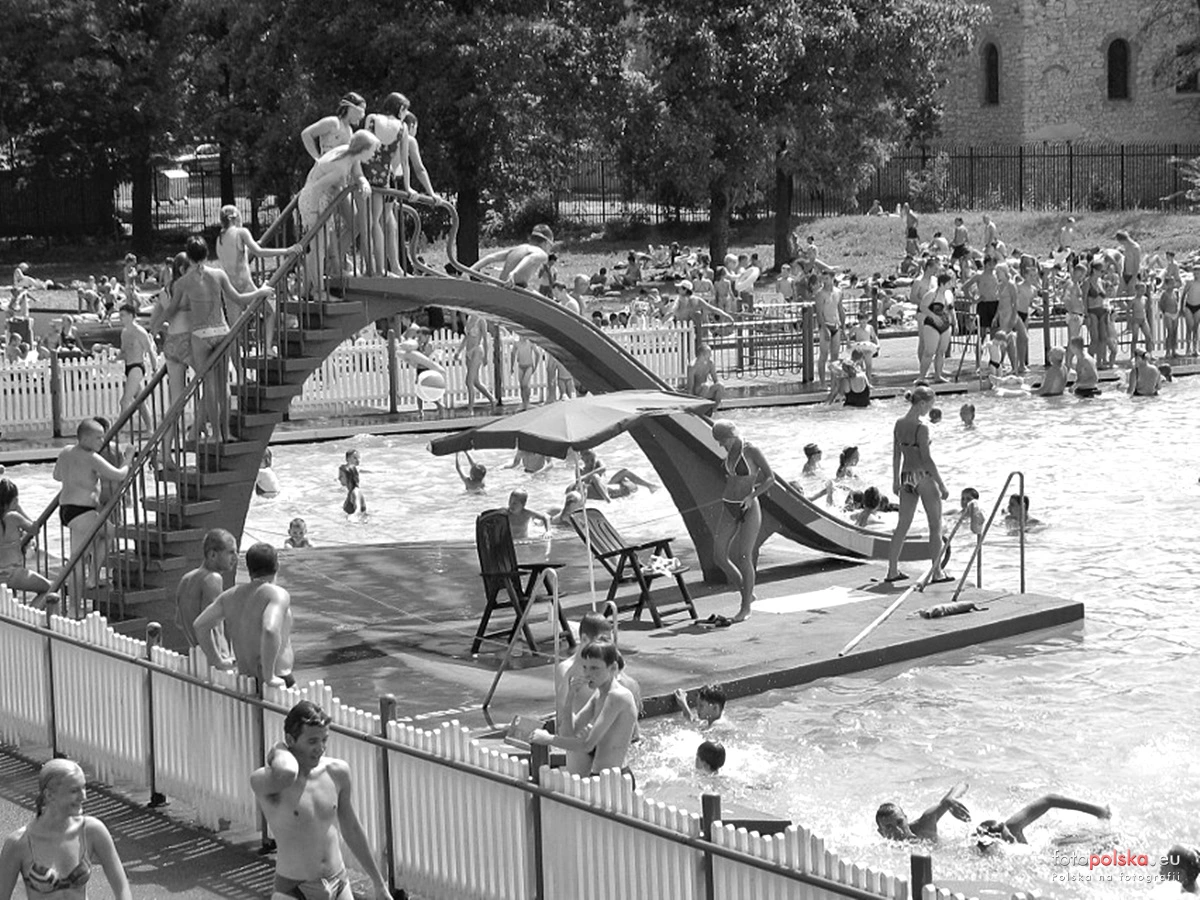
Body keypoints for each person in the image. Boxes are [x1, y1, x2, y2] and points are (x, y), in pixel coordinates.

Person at [251, 701, 393, 900]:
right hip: (294, 889)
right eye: (312, 741)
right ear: (290, 739)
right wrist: (278, 748)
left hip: (338, 881)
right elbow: (288, 772)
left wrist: (379, 883)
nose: (320, 748)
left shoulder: (337, 772)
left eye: (324, 740)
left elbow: (352, 829)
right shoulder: (267, 782)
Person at [174, 236, 275, 442]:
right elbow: (238, 298)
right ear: (206, 255)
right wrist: (261, 292)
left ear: (189, 258)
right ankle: (226, 431)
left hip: (201, 334)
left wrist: (159, 324)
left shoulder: (183, 283)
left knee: (209, 385)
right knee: (224, 384)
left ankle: (216, 434)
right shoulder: (218, 274)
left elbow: (174, 309)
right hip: (222, 331)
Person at [0, 758, 132, 900]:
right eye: (74, 791)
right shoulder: (19, 843)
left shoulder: (92, 831)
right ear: (49, 795)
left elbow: (122, 888)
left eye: (84, 788)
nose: (84, 797)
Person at [53, 419, 135, 616]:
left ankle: (91, 580)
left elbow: (57, 476)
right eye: (98, 438)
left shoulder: (65, 451)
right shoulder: (91, 457)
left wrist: (79, 477)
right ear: (85, 438)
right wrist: (128, 458)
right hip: (82, 511)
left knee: (107, 532)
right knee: (78, 560)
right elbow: (119, 475)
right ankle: (74, 607)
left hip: (67, 510)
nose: (102, 441)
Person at [530, 641, 638, 777]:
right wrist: (570, 696)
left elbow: (588, 745)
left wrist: (548, 739)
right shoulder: (598, 695)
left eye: (594, 668)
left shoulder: (617, 696)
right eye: (585, 667)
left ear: (613, 668)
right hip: (598, 776)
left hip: (615, 779)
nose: (587, 674)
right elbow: (567, 734)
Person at [193, 543, 294, 687]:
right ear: (277, 565)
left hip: (245, 680)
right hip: (277, 678)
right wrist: (269, 676)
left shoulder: (230, 596)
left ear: (248, 568)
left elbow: (200, 625)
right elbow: (270, 630)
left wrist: (218, 662)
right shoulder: (276, 594)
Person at [298, 129, 382, 298]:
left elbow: (358, 174)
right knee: (318, 248)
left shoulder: (349, 154)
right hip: (315, 201)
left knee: (318, 247)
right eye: (372, 151)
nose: (374, 155)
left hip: (320, 200)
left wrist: (363, 182)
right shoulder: (340, 167)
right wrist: (313, 214)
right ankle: (318, 291)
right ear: (363, 149)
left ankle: (306, 291)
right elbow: (316, 188)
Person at [884, 387, 951, 585]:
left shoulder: (899, 424)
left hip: (906, 476)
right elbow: (927, 459)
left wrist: (895, 480)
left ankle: (892, 571)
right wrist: (942, 484)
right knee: (935, 525)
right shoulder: (922, 428)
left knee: (902, 526)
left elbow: (896, 455)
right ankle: (937, 572)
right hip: (923, 476)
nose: (930, 409)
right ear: (922, 403)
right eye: (930, 405)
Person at [216, 205, 299, 358]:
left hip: (229, 289)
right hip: (244, 284)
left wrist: (253, 243)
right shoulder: (241, 232)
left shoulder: (220, 238)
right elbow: (259, 252)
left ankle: (239, 371)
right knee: (269, 312)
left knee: (234, 331)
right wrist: (286, 250)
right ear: (235, 217)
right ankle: (267, 348)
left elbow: (239, 253)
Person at [711, 420, 772, 623]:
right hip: (729, 505)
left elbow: (770, 478)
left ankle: (745, 608)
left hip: (749, 506)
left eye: (722, 440)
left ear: (732, 436)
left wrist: (752, 496)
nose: (721, 445)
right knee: (719, 555)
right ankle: (747, 593)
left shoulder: (751, 450)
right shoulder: (730, 452)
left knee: (744, 556)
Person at [361, 93, 412, 276]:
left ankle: (372, 267)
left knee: (368, 223)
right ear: (400, 108)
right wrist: (408, 187)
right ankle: (385, 268)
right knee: (380, 221)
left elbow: (362, 145)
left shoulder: (372, 119)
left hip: (366, 175)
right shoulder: (402, 128)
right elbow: (404, 162)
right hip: (384, 179)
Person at [175, 529, 237, 651]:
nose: (236, 557)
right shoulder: (213, 579)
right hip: (212, 655)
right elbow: (211, 626)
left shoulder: (186, 579)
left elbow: (179, 622)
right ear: (212, 555)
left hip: (195, 651)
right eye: (230, 553)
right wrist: (219, 658)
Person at [973, 794, 1110, 849]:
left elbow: (1050, 799)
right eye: (1007, 838)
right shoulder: (992, 850)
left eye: (1009, 835)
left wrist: (1099, 811)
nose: (1011, 838)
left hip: (1050, 841)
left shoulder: (1012, 826)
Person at [0, 478, 55, 607]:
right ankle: (33, 613)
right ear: (13, 501)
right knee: (50, 588)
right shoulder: (13, 517)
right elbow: (34, 529)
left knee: (8, 607)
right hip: (11, 572)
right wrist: (18, 509)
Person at [115, 302, 158, 432]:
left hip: (137, 367)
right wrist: (115, 359)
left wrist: (155, 369)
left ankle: (118, 430)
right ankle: (150, 429)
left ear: (131, 316)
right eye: (120, 315)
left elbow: (150, 351)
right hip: (129, 366)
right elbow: (124, 352)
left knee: (124, 401)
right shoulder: (124, 333)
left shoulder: (139, 332)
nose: (121, 318)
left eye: (123, 315)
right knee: (140, 402)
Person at [875, 783, 971, 842]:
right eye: (889, 827)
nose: (898, 830)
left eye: (900, 822)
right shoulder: (884, 851)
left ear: (906, 819)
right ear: (881, 833)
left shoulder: (924, 825)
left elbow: (963, 784)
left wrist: (950, 800)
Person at [471, 225, 555, 290]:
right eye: (550, 246)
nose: (550, 250)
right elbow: (530, 258)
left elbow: (491, 257)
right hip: (514, 288)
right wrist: (513, 273)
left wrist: (470, 270)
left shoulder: (518, 248)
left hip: (500, 287)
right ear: (546, 243)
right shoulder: (542, 254)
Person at [575, 449, 657, 502]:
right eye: (587, 461)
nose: (590, 462)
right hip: (596, 489)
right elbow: (579, 484)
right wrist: (586, 478)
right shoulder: (580, 470)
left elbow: (603, 468)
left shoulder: (598, 463)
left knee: (624, 471)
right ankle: (607, 498)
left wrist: (587, 476)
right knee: (595, 477)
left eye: (592, 460)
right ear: (582, 459)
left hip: (607, 485)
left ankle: (649, 486)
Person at [453, 313, 497, 409]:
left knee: (469, 381)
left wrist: (486, 356)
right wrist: (458, 351)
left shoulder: (481, 320)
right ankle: (492, 399)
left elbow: (485, 339)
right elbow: (466, 337)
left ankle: (470, 408)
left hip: (476, 350)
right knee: (476, 382)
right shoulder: (469, 318)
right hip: (468, 351)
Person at [510, 334, 539, 411]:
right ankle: (524, 402)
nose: (524, 337)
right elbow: (513, 354)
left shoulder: (530, 343)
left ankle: (527, 402)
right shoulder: (517, 343)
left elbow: (537, 354)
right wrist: (511, 367)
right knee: (522, 386)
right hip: (521, 366)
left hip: (529, 366)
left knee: (525, 384)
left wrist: (535, 365)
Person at [338, 450, 367, 515]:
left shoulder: (355, 492)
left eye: (341, 476)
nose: (339, 478)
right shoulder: (352, 491)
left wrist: (351, 518)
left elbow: (358, 511)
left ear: (348, 477)